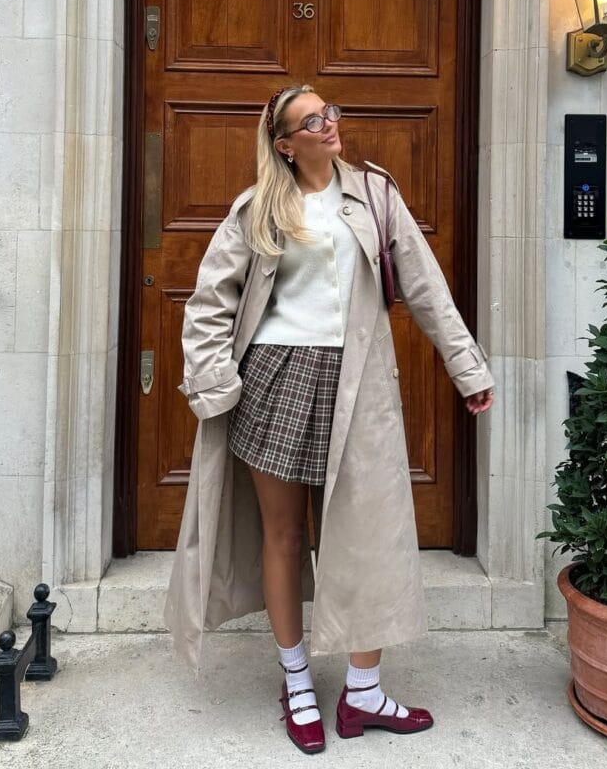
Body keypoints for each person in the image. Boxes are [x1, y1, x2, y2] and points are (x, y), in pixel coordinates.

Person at [163, 85, 495, 754]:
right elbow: (208, 303)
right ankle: (297, 682)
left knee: (365, 535)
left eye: (331, 113)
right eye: (311, 120)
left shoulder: (374, 193)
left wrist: (468, 368)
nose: (330, 125)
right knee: (284, 536)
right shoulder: (258, 207)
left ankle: (364, 694)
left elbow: (425, 286)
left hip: (359, 385)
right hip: (275, 381)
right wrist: (213, 384)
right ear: (284, 142)